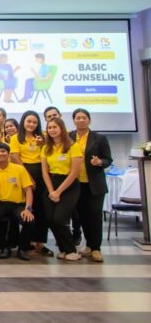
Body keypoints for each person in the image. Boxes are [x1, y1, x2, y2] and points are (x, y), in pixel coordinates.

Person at [70, 108, 112, 262]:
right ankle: (88, 245)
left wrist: (100, 162)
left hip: (94, 184)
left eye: (84, 117)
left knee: (94, 215)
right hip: (75, 184)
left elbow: (108, 159)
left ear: (89, 120)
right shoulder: (69, 137)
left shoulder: (99, 138)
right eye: (78, 118)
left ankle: (96, 248)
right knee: (82, 216)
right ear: (74, 120)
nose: (81, 120)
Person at [0, 142, 35, 261]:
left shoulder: (19, 169)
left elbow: (28, 190)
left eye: (3, 151)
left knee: (29, 220)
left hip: (18, 204)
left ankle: (22, 249)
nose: (1, 154)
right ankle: (3, 247)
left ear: (8, 153)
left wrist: (28, 208)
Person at [10, 110, 51, 256]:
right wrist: (28, 177)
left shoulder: (43, 137)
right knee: (27, 207)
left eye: (34, 122)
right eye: (29, 121)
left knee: (42, 208)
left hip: (42, 171)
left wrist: (43, 144)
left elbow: (48, 153)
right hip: (23, 170)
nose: (31, 124)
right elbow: (15, 157)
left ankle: (39, 242)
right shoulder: (16, 138)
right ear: (23, 122)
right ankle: (25, 242)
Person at [41, 117, 83, 261]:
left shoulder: (73, 146)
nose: (52, 130)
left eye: (54, 127)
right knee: (50, 219)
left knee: (59, 219)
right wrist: (52, 191)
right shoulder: (46, 148)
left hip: (69, 185)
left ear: (62, 129)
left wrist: (58, 192)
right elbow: (45, 172)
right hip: (51, 184)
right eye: (49, 127)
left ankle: (71, 250)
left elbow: (74, 172)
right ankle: (63, 249)